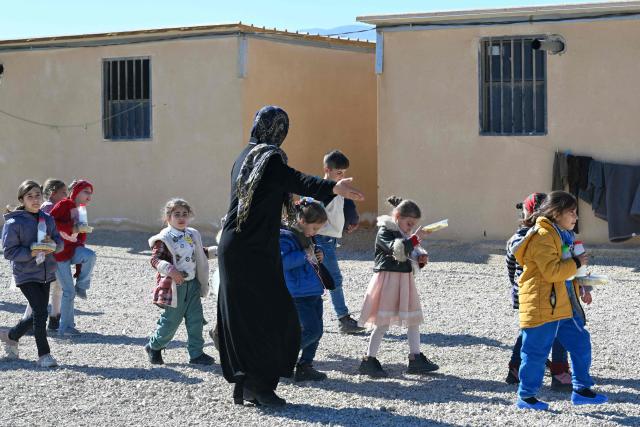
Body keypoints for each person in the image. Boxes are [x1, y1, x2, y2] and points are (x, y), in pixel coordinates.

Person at [216, 105, 364, 407]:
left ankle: (246, 384)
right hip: (252, 248)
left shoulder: (246, 156)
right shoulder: (268, 159)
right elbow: (295, 179)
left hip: (240, 244)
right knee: (272, 317)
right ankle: (260, 385)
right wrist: (333, 187)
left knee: (247, 318)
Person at [512, 191, 607, 410]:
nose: (576, 217)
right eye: (572, 212)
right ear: (556, 213)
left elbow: (566, 272)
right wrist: (575, 262)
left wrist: (583, 284)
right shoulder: (543, 236)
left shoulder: (562, 235)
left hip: (561, 305)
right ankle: (526, 397)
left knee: (581, 342)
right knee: (535, 352)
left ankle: (582, 390)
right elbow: (552, 272)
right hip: (541, 305)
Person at [357, 196, 439, 378]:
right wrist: (416, 239)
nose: (410, 228)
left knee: (413, 319)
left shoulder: (405, 235)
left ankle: (415, 357)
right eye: (408, 223)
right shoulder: (385, 231)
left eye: (413, 225)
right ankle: (369, 360)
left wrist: (420, 259)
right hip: (388, 281)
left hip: (404, 280)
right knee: (382, 322)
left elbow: (408, 253)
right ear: (397, 216)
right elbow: (399, 251)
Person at [144, 198, 217, 366]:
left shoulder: (191, 234)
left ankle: (196, 353)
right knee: (170, 322)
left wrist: (218, 251)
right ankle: (154, 346)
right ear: (168, 217)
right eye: (177, 214)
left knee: (196, 320)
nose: (181, 217)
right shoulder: (164, 238)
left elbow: (199, 253)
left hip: (192, 285)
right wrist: (171, 270)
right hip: (175, 288)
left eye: (185, 214)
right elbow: (155, 260)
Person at [0, 180, 62, 367]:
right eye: (30, 196)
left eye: (38, 195)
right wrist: (31, 252)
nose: (35, 200)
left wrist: (52, 245)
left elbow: (59, 243)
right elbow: (9, 252)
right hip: (26, 275)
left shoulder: (48, 219)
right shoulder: (13, 222)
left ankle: (12, 336)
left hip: (46, 272)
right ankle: (44, 355)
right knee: (41, 312)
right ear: (22, 199)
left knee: (39, 313)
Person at [280, 198, 329, 382]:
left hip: (313, 291)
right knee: (312, 330)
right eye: (315, 228)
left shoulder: (306, 235)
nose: (315, 233)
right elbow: (283, 262)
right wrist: (305, 255)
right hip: (298, 294)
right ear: (302, 221)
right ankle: (281, 358)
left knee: (318, 330)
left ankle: (305, 366)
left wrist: (319, 253)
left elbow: (313, 250)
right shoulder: (284, 236)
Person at [315, 150, 364, 334]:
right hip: (322, 240)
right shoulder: (323, 190)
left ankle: (308, 318)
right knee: (333, 279)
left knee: (321, 279)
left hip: (330, 239)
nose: (342, 176)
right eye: (339, 173)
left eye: (344, 172)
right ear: (327, 169)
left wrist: (352, 221)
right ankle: (343, 319)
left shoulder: (339, 188)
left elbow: (347, 205)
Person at [50, 179, 96, 337]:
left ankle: (82, 286)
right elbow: (50, 221)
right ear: (76, 192)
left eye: (91, 193)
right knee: (68, 292)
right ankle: (65, 328)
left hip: (73, 251)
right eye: (86, 192)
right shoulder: (64, 204)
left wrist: (79, 268)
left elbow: (81, 239)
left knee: (90, 255)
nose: (89, 196)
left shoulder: (81, 210)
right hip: (58, 254)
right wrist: (71, 227)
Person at [22, 178, 67, 332]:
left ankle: (53, 319)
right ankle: (29, 323)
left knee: (55, 288)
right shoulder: (48, 207)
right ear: (53, 192)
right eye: (63, 193)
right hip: (46, 253)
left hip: (51, 253)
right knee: (44, 289)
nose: (66, 196)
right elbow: (43, 229)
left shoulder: (55, 206)